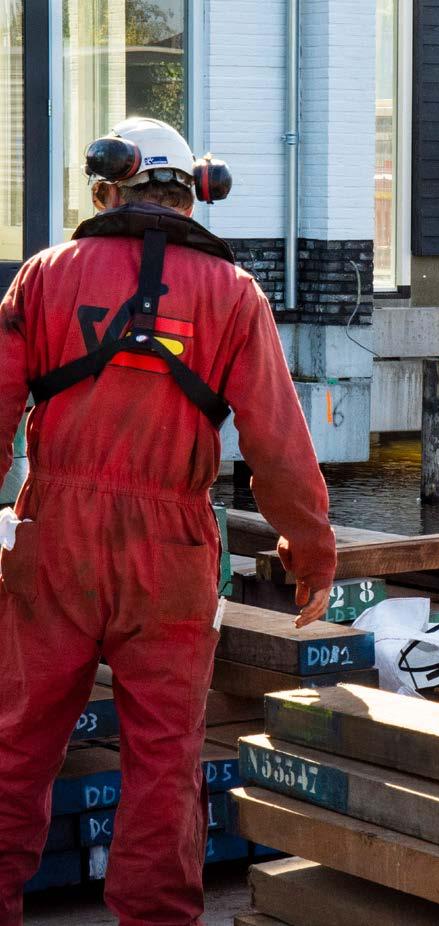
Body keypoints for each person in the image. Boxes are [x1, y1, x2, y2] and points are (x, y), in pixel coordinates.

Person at [0, 117, 336, 925]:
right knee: (164, 763)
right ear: (194, 195)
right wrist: (311, 552)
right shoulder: (235, 296)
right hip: (175, 552)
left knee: (15, 751)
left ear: (109, 189)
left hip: (53, 539)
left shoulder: (46, 276)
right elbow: (277, 445)